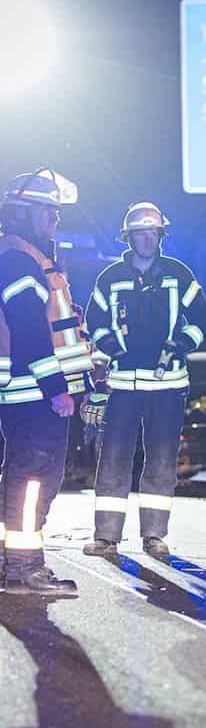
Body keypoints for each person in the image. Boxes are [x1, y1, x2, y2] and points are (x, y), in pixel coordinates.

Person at [83, 202, 206, 558]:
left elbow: (203, 319)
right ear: (129, 237)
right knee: (113, 459)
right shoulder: (109, 277)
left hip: (168, 385)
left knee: (161, 462)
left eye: (152, 232)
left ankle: (154, 535)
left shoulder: (178, 274)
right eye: (140, 233)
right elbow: (93, 321)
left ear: (160, 235)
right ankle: (106, 537)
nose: (146, 239)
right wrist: (112, 346)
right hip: (123, 385)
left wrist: (182, 343)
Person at [0, 168, 91, 593]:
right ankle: (23, 568)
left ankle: (13, 563)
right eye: (49, 215)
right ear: (24, 215)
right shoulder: (20, 260)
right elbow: (30, 329)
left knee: (24, 477)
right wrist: (57, 388)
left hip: (31, 392)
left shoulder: (26, 258)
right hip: (35, 394)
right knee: (34, 478)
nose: (54, 223)